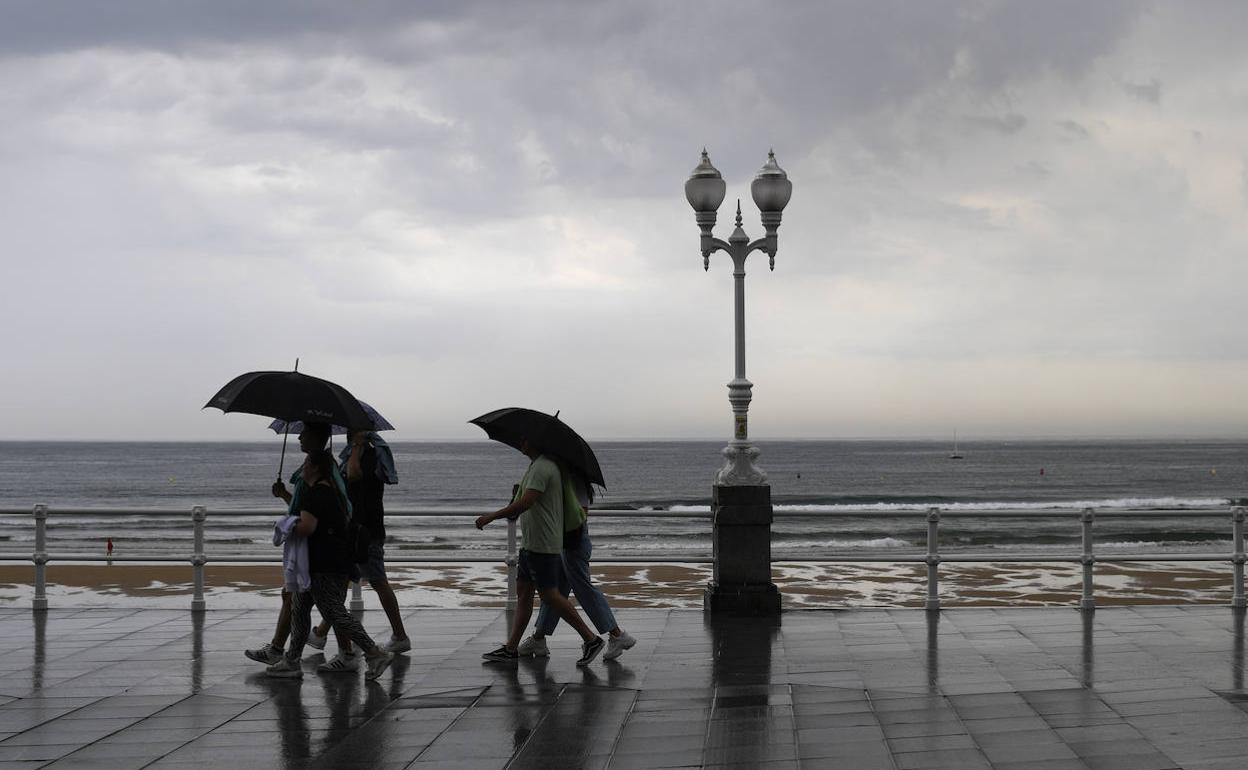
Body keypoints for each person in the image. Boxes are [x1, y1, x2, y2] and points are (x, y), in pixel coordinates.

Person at [475, 437, 605, 666]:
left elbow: (527, 502)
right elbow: (524, 500)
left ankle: (591, 639)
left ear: (537, 442)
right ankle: (511, 648)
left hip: (543, 544)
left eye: (525, 439)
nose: (521, 442)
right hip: (531, 543)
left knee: (550, 595)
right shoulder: (536, 466)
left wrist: (492, 516)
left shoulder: (543, 466)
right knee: (524, 593)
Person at [265, 449, 393, 680]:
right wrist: (286, 495)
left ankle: (375, 653)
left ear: (315, 467)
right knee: (300, 608)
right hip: (332, 559)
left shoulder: (315, 494)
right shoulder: (333, 490)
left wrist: (285, 524)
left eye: (305, 463)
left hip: (324, 562)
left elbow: (307, 527)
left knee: (334, 612)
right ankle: (292, 661)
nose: (302, 467)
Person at [244, 422, 352, 666]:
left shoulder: (319, 473)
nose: (299, 437)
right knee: (306, 601)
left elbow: (310, 516)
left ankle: (356, 653)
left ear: (316, 438)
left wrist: (289, 525)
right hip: (319, 548)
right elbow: (308, 510)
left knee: (324, 605)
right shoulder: (324, 470)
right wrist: (284, 495)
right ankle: (286, 653)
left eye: (305, 433)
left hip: (317, 550)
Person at [306, 429, 409, 664]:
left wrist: (357, 447)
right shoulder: (357, 455)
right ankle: (322, 633)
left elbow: (353, 475)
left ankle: (398, 636)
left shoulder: (368, 456)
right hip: (356, 530)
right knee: (342, 582)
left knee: (377, 580)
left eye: (351, 433)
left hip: (366, 531)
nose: (347, 437)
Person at [516, 466, 635, 661]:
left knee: (583, 589)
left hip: (572, 543)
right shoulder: (568, 478)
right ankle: (538, 637)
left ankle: (618, 635)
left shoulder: (575, 480)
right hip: (564, 542)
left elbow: (580, 515)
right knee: (556, 594)